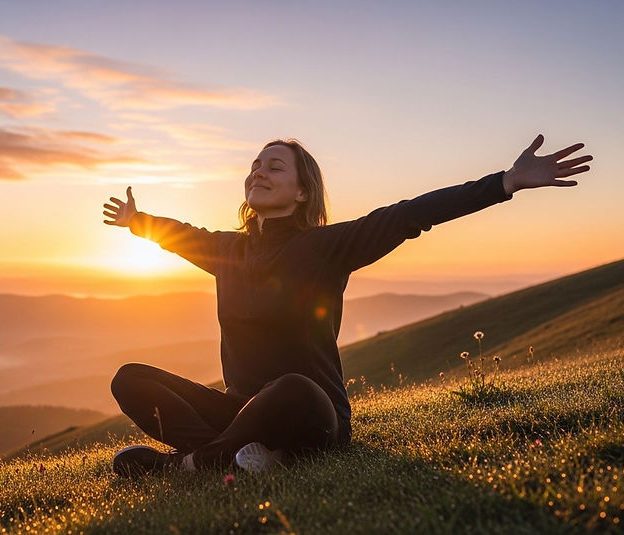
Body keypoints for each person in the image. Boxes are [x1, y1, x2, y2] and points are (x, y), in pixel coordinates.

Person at [103, 135, 592, 476]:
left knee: (291, 387)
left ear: (301, 192)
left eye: (275, 165)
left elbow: (411, 214)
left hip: (312, 416)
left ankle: (188, 464)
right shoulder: (228, 251)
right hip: (240, 412)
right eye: (255, 164)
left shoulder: (325, 248)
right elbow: (178, 236)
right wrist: (136, 220)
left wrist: (505, 182)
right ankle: (232, 454)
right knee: (129, 378)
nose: (259, 171)